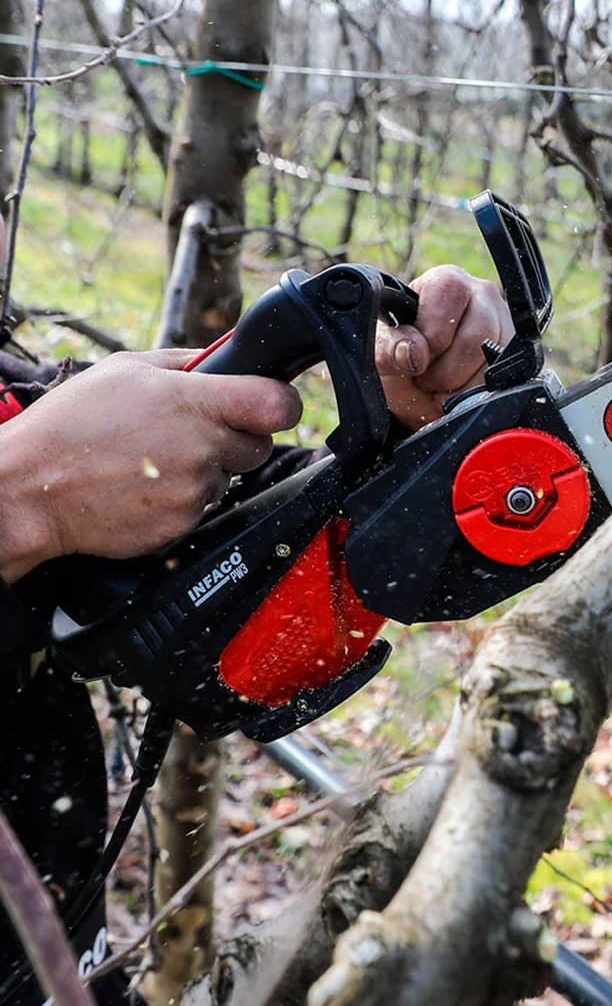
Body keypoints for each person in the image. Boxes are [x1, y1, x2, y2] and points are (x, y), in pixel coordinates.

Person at [0, 247, 513, 1005]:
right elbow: (41, 476)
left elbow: (201, 526)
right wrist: (22, 500)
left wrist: (412, 448)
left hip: (59, 937)